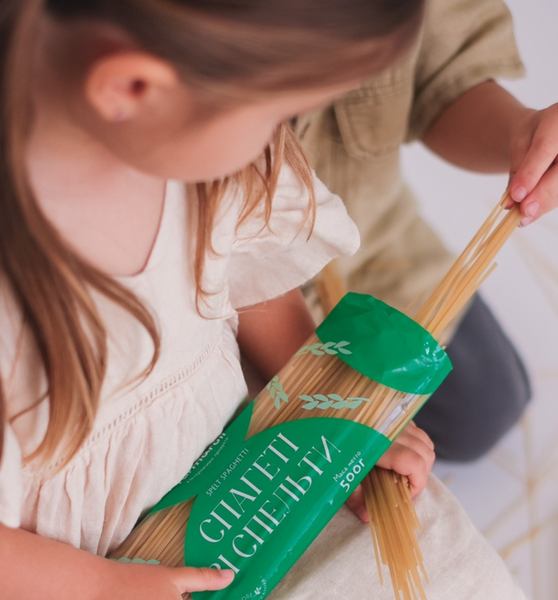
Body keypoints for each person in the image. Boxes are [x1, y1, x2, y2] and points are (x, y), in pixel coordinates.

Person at [0, 1, 527, 599]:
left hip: (247, 462)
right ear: (132, 86)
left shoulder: (186, 159)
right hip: (80, 565)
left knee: (450, 572)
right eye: (276, 111)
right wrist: (97, 586)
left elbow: (251, 285)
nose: (291, 131)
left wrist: (329, 423)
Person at [296, 0, 558, 462]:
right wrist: (317, 396)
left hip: (375, 247)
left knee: (485, 409)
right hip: (227, 298)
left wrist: (523, 132)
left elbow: (442, 75)